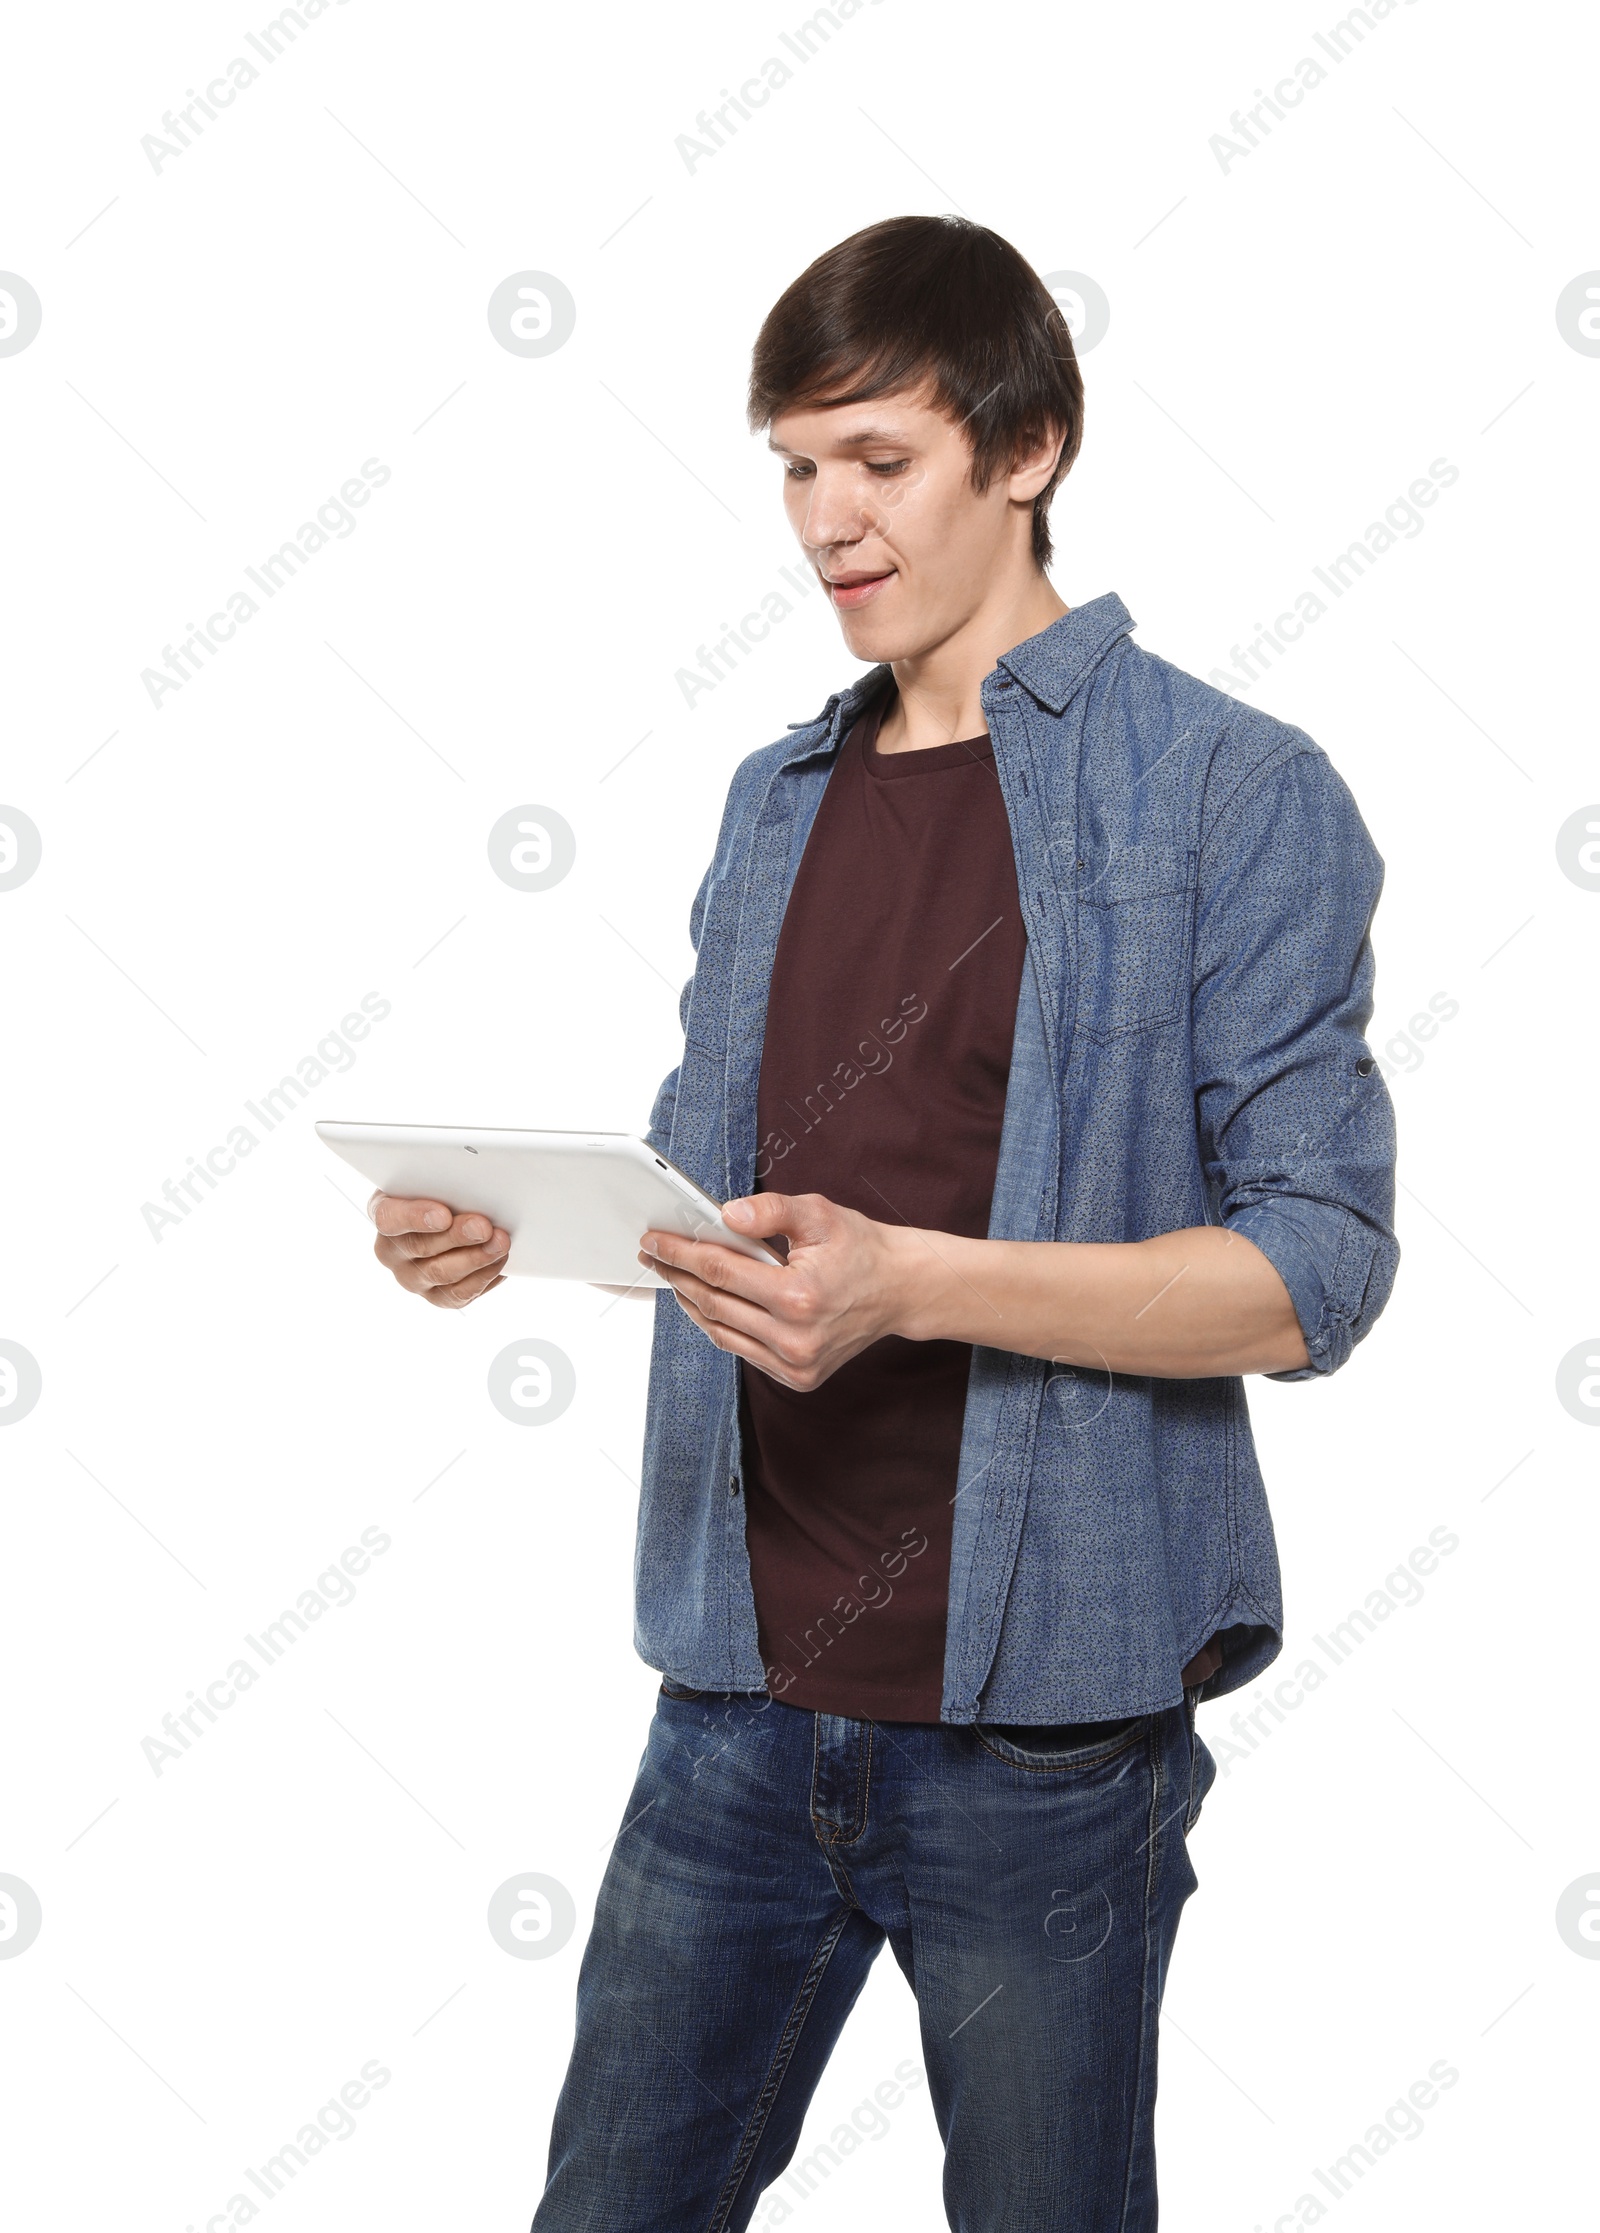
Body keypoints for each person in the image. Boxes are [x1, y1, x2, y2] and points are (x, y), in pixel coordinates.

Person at [368, 215, 1399, 2232]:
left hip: (1042, 1738)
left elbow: (1312, 1270)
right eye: (791, 467)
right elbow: (723, 1196)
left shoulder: (1227, 791)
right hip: (735, 1704)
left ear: (1022, 447)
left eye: (875, 459)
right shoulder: (775, 794)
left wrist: (920, 1286)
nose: (824, 519)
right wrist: (521, 1229)